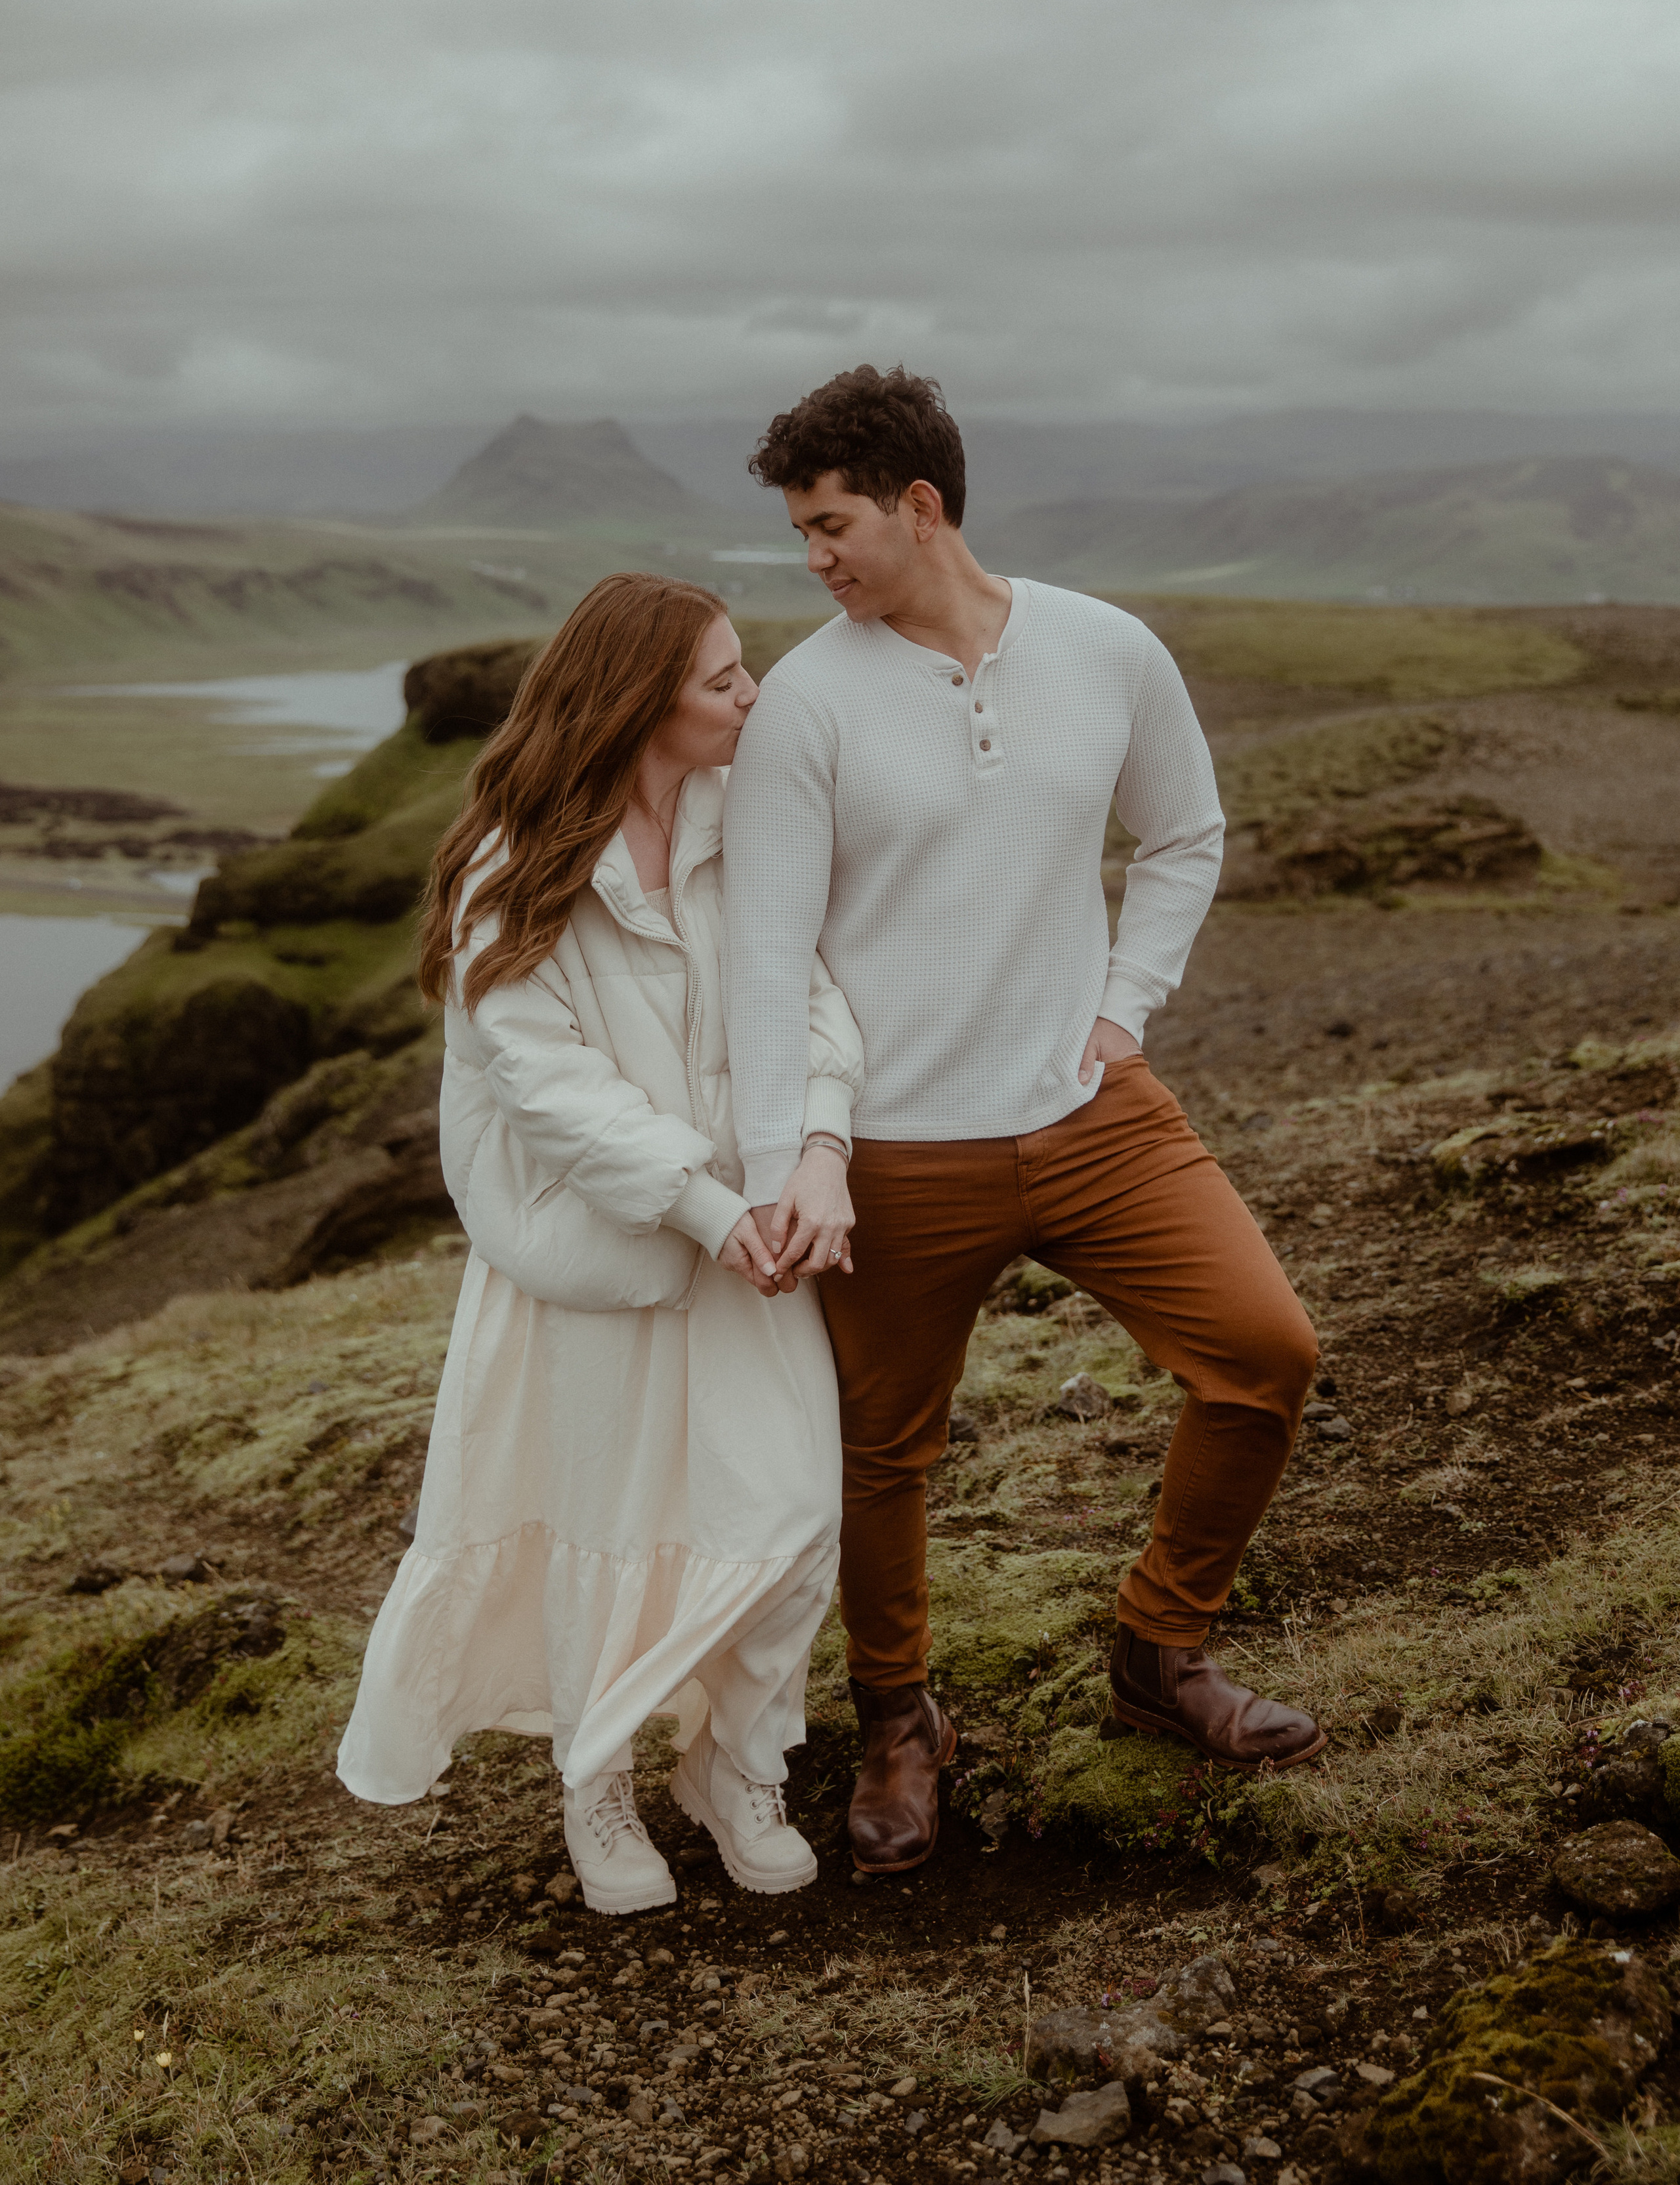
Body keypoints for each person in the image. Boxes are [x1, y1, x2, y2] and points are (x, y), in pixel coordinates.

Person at [722, 365, 1326, 1879]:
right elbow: (763, 958)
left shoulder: (1105, 649)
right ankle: (896, 1724)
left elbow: (1183, 831)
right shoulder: (804, 704)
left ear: (919, 507)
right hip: (895, 1153)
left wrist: (1122, 1007)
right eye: (800, 532)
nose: (814, 559)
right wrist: (793, 1162)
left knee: (1263, 1358)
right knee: (881, 1455)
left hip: (1092, 1113)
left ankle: (1156, 1651)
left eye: (831, 523)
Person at [337, 573, 861, 1913]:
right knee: (602, 1529)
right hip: (592, 1263)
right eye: (724, 679)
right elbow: (550, 1093)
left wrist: (816, 1154)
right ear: (642, 704)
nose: (754, 696)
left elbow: (811, 1000)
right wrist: (708, 1208)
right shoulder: (512, 872)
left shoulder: (755, 822)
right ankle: (597, 1777)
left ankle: (736, 1764)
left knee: (789, 1516)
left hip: (751, 1240)